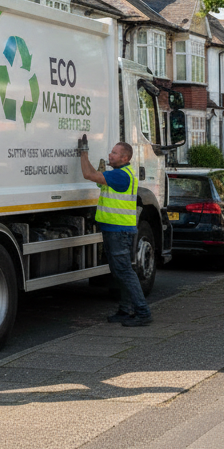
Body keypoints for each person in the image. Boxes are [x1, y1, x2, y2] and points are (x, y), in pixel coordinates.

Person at [78, 137, 153, 326]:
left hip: (119, 231)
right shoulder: (118, 173)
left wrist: (83, 152)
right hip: (117, 230)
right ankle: (125, 310)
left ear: (125, 157)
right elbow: (96, 177)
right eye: (111, 151)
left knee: (125, 272)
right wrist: (100, 169)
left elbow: (88, 174)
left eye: (114, 153)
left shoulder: (121, 176)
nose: (110, 155)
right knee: (121, 272)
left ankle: (143, 312)